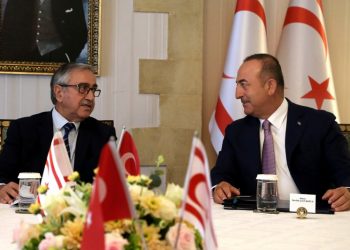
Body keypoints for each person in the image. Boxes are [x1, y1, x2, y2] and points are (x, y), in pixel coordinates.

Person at [211, 53, 350, 212]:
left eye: (244, 84)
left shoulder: (319, 124)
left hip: (312, 218)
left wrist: (347, 192)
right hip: (253, 219)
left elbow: (344, 173)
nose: (237, 94)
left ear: (270, 86)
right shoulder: (236, 131)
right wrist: (220, 185)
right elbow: (222, 173)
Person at [0, 63, 116, 204]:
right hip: (32, 213)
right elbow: (3, 174)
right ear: (59, 93)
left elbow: (111, 182)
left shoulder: (104, 134)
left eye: (93, 90)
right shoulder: (23, 129)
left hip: (81, 215)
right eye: (83, 88)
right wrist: (2, 187)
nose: (91, 97)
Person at [0, 0, 87, 62]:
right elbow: (8, 31)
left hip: (57, 56)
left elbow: (80, 33)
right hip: (23, 55)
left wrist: (68, 56)